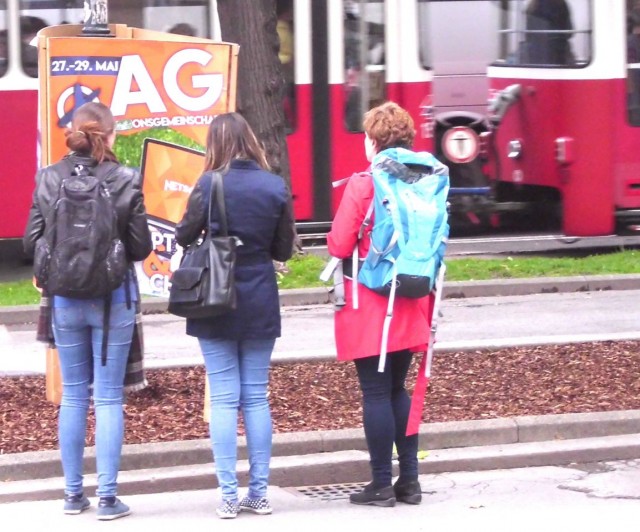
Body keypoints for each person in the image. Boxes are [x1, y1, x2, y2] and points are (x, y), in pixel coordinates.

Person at [23, 102, 153, 520]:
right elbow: (140, 247)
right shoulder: (126, 179)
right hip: (114, 297)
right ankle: (109, 498)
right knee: (109, 396)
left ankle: (73, 494)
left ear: (73, 132)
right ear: (110, 135)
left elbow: (31, 242)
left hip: (64, 299)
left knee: (75, 396)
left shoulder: (49, 178)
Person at [175, 112, 295, 519]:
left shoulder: (210, 183)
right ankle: (259, 493)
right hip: (260, 294)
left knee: (225, 398)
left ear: (216, 144)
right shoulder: (274, 185)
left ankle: (228, 495)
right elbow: (282, 250)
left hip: (215, 299)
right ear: (250, 140)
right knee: (256, 396)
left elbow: (183, 235)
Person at [327, 102, 436, 507]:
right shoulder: (426, 180)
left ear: (373, 142)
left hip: (371, 300)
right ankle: (409, 480)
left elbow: (339, 243)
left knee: (374, 391)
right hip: (411, 294)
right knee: (397, 388)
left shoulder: (365, 182)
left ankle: (379, 484)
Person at [525, 0, 574, 65]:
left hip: (536, 53)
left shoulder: (532, 6)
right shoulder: (561, 4)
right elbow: (569, 32)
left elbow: (528, 35)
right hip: (558, 52)